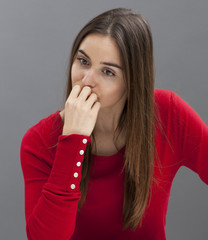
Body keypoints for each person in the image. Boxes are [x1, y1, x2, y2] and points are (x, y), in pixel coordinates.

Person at [20, 8, 208, 240]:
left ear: (133, 81)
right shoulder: (39, 141)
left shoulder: (168, 113)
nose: (86, 80)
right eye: (83, 61)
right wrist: (73, 141)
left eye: (108, 72)